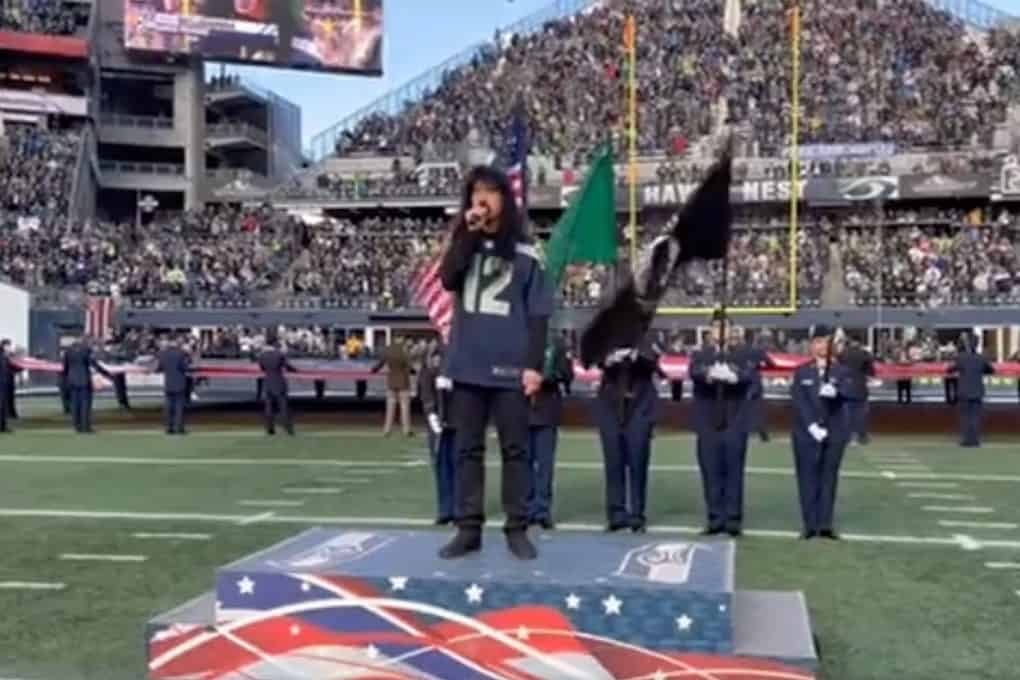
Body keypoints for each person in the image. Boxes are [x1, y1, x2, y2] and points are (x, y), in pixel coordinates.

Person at [437, 165, 554, 561]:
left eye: (490, 192)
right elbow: (448, 280)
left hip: (509, 367)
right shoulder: (463, 241)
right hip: (467, 365)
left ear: (505, 198)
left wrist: (534, 366)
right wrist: (468, 233)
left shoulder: (524, 251)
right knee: (466, 449)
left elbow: (538, 314)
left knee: (515, 450)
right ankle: (468, 527)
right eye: (475, 193)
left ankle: (517, 526)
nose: (481, 200)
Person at [689, 315, 753, 538]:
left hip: (734, 421)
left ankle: (733, 519)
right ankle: (715, 518)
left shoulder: (742, 353)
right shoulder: (701, 353)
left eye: (725, 327)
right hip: (708, 422)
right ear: (710, 330)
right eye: (716, 327)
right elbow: (694, 371)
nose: (721, 331)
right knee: (711, 471)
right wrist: (710, 373)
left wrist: (733, 376)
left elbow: (749, 375)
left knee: (734, 472)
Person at [593, 337, 663, 534]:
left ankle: (637, 515)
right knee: (613, 463)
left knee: (638, 463)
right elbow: (593, 358)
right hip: (610, 408)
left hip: (639, 409)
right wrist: (608, 359)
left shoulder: (646, 338)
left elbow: (652, 362)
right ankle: (616, 514)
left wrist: (634, 355)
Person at [790, 325, 852, 540]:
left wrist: (837, 392)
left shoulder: (842, 371)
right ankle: (809, 524)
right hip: (806, 433)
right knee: (807, 478)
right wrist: (811, 426)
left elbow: (853, 392)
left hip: (835, 432)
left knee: (828, 477)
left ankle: (825, 523)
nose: (822, 346)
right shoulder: (802, 372)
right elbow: (799, 401)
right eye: (817, 342)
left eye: (826, 342)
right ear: (811, 345)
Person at [527, 336, 574, 530]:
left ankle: (542, 510)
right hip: (522, 411)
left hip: (547, 410)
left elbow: (568, 375)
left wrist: (551, 374)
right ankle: (526, 508)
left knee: (545, 465)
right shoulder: (519, 338)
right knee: (523, 464)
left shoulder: (556, 344)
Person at [418, 346, 456, 525]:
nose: (437, 362)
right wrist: (432, 414)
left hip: (457, 423)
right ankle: (445, 509)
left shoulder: (458, 368)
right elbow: (426, 395)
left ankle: (458, 508)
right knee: (441, 467)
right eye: (435, 358)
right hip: (437, 424)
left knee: (458, 466)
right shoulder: (427, 373)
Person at [948, 333, 994, 448]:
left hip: (964, 391)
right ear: (977, 345)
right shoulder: (981, 358)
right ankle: (975, 440)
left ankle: (966, 440)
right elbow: (991, 370)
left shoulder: (961, 357)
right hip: (977, 391)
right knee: (975, 417)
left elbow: (950, 369)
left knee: (965, 417)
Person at [61, 337, 114, 434]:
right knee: (85, 405)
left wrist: (65, 380)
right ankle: (85, 427)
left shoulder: (68, 351)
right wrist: (107, 374)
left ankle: (77, 426)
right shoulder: (85, 350)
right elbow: (94, 364)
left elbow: (65, 368)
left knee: (75, 404)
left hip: (72, 380)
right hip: (84, 380)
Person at [257, 333, 298, 435]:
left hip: (268, 382)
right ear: (275, 342)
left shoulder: (262, 355)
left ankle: (269, 428)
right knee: (283, 406)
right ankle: (288, 428)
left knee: (269, 407)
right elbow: (287, 366)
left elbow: (262, 368)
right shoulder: (279, 354)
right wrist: (296, 371)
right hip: (279, 381)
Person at [372, 337, 413, 437]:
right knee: (405, 407)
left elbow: (381, 363)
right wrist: (412, 371)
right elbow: (408, 365)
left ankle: (387, 429)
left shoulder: (388, 349)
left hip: (391, 381)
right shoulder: (404, 350)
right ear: (401, 339)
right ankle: (406, 430)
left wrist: (374, 370)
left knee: (390, 407)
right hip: (403, 381)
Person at [155, 336, 192, 435]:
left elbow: (159, 368)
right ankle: (179, 428)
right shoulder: (181, 353)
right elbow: (185, 367)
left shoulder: (163, 354)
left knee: (168, 407)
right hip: (180, 383)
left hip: (168, 383)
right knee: (179, 407)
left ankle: (169, 427)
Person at [842, 339, 876, 445]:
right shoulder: (865, 354)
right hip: (860, 387)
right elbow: (871, 372)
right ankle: (862, 436)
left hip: (845, 387)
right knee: (861, 413)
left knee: (846, 413)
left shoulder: (843, 354)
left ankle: (847, 437)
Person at [0, 339, 17, 434]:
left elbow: (12, 368)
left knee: (3, 406)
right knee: (1, 405)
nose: (10, 347)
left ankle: (2, 426)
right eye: (8, 345)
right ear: (4, 346)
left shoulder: (6, 356)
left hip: (4, 383)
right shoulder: (2, 356)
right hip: (1, 383)